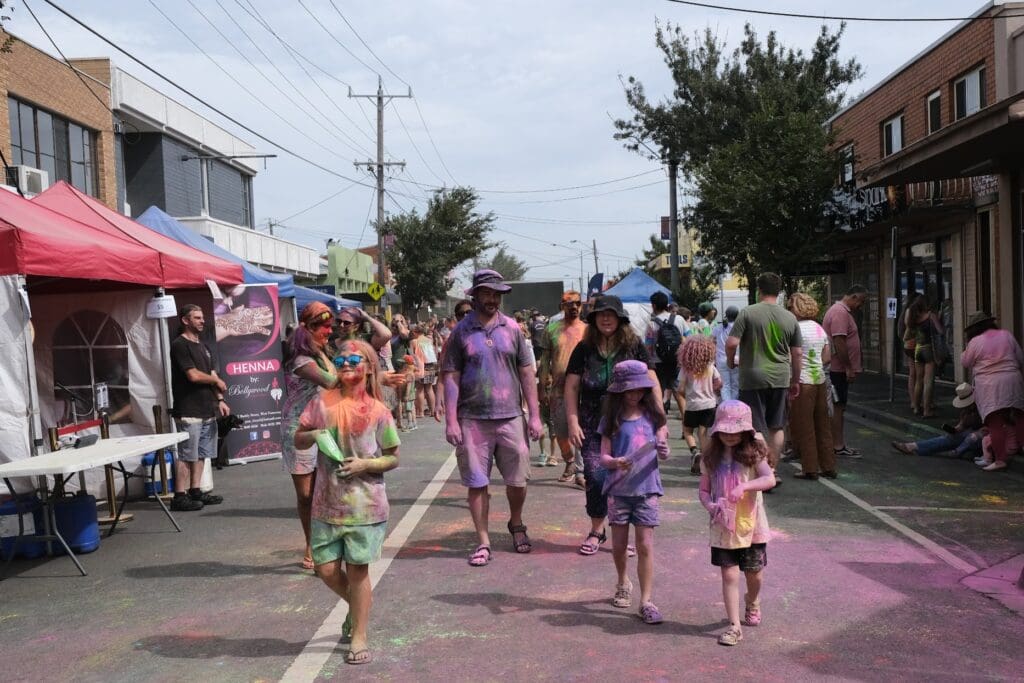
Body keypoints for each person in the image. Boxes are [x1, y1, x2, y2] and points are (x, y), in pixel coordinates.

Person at [295, 338, 400, 666]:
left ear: (369, 368)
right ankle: (359, 607)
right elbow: (298, 437)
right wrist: (313, 435)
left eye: (356, 360)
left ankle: (359, 634)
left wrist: (366, 464)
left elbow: (393, 456)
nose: (348, 365)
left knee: (357, 572)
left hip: (365, 507)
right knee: (326, 571)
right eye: (341, 360)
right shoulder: (322, 402)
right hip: (326, 505)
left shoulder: (379, 411)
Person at [442, 269, 543, 567]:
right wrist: (451, 420)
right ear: (474, 296)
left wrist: (535, 416)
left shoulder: (512, 329)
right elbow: (451, 377)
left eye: (497, 294)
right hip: (472, 419)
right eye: (487, 293)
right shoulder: (460, 331)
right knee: (477, 482)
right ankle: (483, 540)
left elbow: (527, 374)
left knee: (518, 481)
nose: (493, 299)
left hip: (511, 416)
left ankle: (516, 522)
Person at [566, 296, 660, 556]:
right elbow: (572, 386)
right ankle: (597, 528)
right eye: (601, 314)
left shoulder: (633, 346)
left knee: (626, 479)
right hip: (592, 424)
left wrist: (659, 421)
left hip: (630, 426)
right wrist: (572, 420)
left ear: (620, 319)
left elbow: (651, 379)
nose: (606, 318)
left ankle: (622, 532)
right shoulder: (584, 349)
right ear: (594, 319)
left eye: (611, 314)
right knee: (596, 477)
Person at [697, 400, 775, 646]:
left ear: (746, 431)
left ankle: (752, 600)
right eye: (725, 431)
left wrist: (745, 486)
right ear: (717, 430)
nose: (730, 436)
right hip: (723, 526)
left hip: (751, 527)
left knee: (754, 575)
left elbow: (769, 479)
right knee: (729, 575)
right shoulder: (710, 458)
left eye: (735, 431)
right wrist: (709, 505)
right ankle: (734, 626)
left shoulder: (755, 454)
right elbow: (704, 490)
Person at [599, 360, 670, 625]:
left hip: (647, 489)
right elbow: (603, 456)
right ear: (618, 391)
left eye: (639, 389)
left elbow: (663, 449)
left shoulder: (654, 417)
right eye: (629, 390)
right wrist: (615, 462)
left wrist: (663, 450)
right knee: (618, 546)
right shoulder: (611, 420)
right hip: (618, 491)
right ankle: (622, 581)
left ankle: (647, 600)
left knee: (645, 545)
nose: (634, 394)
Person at [725, 273, 803, 477]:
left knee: (754, 426)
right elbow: (797, 353)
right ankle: (773, 468)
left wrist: (731, 360)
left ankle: (761, 470)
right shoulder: (790, 317)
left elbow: (732, 342)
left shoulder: (748, 313)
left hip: (752, 377)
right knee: (777, 426)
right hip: (780, 377)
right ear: (778, 292)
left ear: (759, 290)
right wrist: (795, 380)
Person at [281, 302, 339, 570]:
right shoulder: (301, 360)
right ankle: (311, 544)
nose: (329, 331)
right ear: (309, 328)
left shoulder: (320, 354)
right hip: (299, 430)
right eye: (324, 327)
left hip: (324, 428)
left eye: (330, 326)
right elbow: (331, 381)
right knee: (306, 495)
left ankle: (321, 546)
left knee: (322, 490)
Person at [169, 304, 229, 512]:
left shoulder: (203, 346)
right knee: (187, 454)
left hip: (206, 409)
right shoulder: (180, 345)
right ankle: (179, 495)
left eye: (202, 317)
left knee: (202, 452)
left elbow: (211, 375)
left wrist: (220, 400)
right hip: (188, 409)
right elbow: (193, 375)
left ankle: (196, 490)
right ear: (185, 320)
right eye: (197, 317)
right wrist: (216, 379)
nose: (202, 321)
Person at [961, 311, 1024, 472]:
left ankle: (1000, 459)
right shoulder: (1006, 335)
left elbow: (966, 362)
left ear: (973, 329)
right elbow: (1020, 357)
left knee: (994, 422)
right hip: (1012, 378)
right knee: (1019, 416)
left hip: (990, 384)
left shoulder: (975, 342)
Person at [538, 291, 587, 484]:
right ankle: (569, 461)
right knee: (560, 430)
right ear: (562, 306)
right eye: (569, 304)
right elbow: (544, 362)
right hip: (558, 389)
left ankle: (581, 471)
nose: (573, 307)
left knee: (581, 428)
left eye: (577, 303)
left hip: (583, 389)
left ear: (581, 306)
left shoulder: (588, 330)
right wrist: (542, 387)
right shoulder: (551, 329)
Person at [786, 293, 835, 481]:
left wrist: (794, 379)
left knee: (804, 426)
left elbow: (794, 355)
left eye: (790, 307)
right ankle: (828, 465)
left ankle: (809, 468)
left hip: (802, 381)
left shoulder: (795, 329)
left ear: (796, 309)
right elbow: (827, 357)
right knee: (823, 425)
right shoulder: (819, 328)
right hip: (819, 380)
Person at [822, 285, 867, 456]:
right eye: (861, 301)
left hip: (838, 368)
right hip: (837, 369)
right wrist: (848, 367)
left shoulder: (840, 311)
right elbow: (839, 341)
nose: (860, 306)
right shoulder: (840, 312)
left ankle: (837, 444)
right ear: (853, 297)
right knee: (838, 406)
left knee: (839, 406)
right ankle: (837, 445)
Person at [891, 383, 985, 459]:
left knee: (972, 437)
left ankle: (957, 452)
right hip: (971, 433)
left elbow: (989, 428)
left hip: (984, 435)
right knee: (950, 437)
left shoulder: (984, 407)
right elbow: (961, 426)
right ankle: (913, 446)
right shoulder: (966, 412)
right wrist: (953, 430)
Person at [677, 336, 721, 474]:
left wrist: (686, 397)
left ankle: (694, 451)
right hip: (709, 404)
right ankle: (705, 461)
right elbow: (719, 383)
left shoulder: (685, 369)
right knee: (703, 433)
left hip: (692, 405)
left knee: (687, 430)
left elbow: (680, 389)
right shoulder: (710, 367)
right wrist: (715, 391)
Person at [646, 291, 686, 416]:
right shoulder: (679, 319)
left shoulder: (652, 323)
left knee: (658, 394)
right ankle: (687, 429)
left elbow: (648, 346)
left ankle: (660, 428)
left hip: (658, 363)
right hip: (676, 362)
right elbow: (688, 338)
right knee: (679, 394)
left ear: (654, 306)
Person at [905, 295, 944, 419]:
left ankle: (916, 407)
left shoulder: (913, 319)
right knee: (928, 381)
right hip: (928, 349)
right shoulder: (930, 315)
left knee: (918, 380)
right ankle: (927, 410)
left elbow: (906, 336)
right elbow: (941, 331)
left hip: (917, 350)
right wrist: (939, 318)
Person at [713, 306, 740, 401]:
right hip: (736, 359)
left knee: (725, 385)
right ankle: (734, 408)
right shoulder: (739, 328)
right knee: (735, 385)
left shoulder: (717, 328)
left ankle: (726, 407)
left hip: (721, 360)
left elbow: (712, 341)